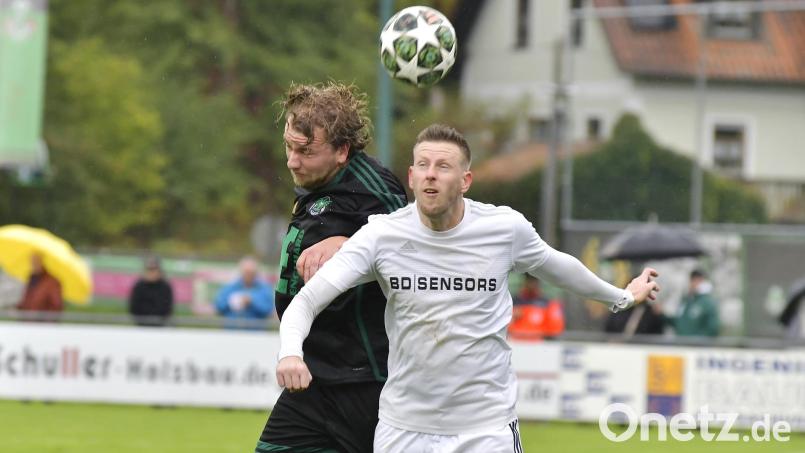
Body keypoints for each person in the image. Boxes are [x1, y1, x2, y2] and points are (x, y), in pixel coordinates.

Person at [276, 124, 660, 452]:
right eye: (423, 165)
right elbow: (306, 302)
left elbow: (559, 267)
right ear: (410, 177)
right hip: (403, 430)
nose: (431, 174)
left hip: (485, 429)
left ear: (465, 180)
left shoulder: (504, 229)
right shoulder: (382, 236)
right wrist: (290, 353)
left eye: (443, 166)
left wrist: (622, 297)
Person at [255, 81, 407, 453]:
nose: (292, 160)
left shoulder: (374, 188)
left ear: (342, 150)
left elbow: (412, 246)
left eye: (305, 151)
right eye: (289, 147)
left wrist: (349, 243)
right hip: (313, 377)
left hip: (364, 381)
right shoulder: (316, 181)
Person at [215, 256, 274, 329]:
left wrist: (252, 301)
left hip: (256, 335)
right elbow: (218, 307)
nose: (248, 275)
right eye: (246, 272)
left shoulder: (264, 289)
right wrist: (232, 302)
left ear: (256, 273)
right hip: (231, 333)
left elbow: (268, 310)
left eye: (251, 273)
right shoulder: (230, 288)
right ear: (241, 272)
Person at [663, 269, 720, 337]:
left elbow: (712, 329)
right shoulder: (686, 301)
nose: (694, 283)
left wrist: (696, 342)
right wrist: (662, 315)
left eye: (697, 280)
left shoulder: (708, 302)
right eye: (693, 280)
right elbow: (679, 323)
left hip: (696, 346)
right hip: (680, 344)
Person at [508, 274, 565, 339]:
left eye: (534, 280)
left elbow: (554, 330)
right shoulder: (514, 301)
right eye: (529, 280)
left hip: (540, 342)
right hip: (516, 341)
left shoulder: (545, 302)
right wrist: (512, 316)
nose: (532, 284)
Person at [128, 255, 174, 327]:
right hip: (141, 324)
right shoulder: (139, 286)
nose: (151, 272)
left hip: (160, 325)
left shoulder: (165, 287)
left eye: (154, 269)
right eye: (149, 269)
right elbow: (133, 307)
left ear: (159, 271)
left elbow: (167, 308)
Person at [16, 252, 63, 321]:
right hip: (27, 322)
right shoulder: (31, 278)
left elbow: (56, 305)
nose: (34, 264)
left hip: (42, 324)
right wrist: (18, 309)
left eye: (37, 260)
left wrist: (46, 320)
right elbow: (27, 300)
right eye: (32, 261)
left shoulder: (52, 281)